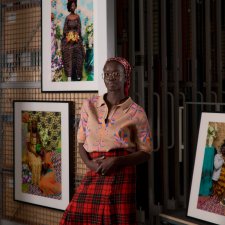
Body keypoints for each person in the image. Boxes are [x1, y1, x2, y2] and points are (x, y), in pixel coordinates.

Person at [59, 57, 153, 224]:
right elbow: (81, 143)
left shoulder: (137, 112)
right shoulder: (89, 105)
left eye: (117, 73)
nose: (111, 77)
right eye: (107, 74)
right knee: (74, 216)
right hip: (96, 169)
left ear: (126, 76)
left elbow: (146, 153)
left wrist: (117, 161)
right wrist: (90, 165)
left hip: (123, 172)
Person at [61, 0, 84, 81]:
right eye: (71, 6)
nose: (73, 7)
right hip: (68, 40)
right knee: (68, 53)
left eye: (74, 5)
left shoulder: (78, 17)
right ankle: (69, 75)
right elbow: (65, 30)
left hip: (76, 39)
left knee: (78, 53)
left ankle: (78, 74)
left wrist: (75, 36)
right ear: (69, 7)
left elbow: (79, 29)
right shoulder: (67, 18)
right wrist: (69, 36)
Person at [212, 141, 225, 206]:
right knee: (215, 190)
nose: (224, 150)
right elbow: (216, 166)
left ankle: (222, 201)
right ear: (221, 148)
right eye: (223, 148)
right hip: (217, 177)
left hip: (224, 178)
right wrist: (222, 160)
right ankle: (216, 201)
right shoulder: (217, 156)